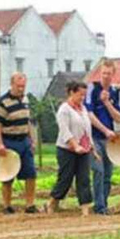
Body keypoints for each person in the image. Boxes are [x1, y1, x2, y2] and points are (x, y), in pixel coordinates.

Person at [45, 81, 98, 216]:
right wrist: (75, 146)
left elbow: (87, 130)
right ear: (71, 93)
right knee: (65, 179)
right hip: (66, 150)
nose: (82, 98)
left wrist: (92, 148)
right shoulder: (64, 110)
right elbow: (65, 131)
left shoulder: (83, 109)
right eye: (80, 95)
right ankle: (52, 202)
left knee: (84, 179)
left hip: (83, 149)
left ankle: (85, 209)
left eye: (84, 95)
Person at [0, 72, 38, 214]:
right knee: (8, 176)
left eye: (23, 86)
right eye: (19, 86)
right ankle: (7, 205)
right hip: (9, 141)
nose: (21, 89)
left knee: (31, 173)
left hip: (24, 140)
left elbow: (28, 122)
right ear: (12, 84)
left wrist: (32, 140)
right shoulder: (3, 102)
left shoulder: (25, 100)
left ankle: (30, 204)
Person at [85, 58, 120, 215]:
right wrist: (104, 130)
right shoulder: (92, 88)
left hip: (109, 139)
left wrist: (107, 103)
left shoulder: (115, 91)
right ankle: (99, 206)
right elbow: (89, 114)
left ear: (113, 74)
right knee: (98, 170)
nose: (106, 76)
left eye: (109, 73)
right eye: (103, 73)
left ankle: (103, 203)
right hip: (95, 136)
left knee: (108, 172)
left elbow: (119, 118)